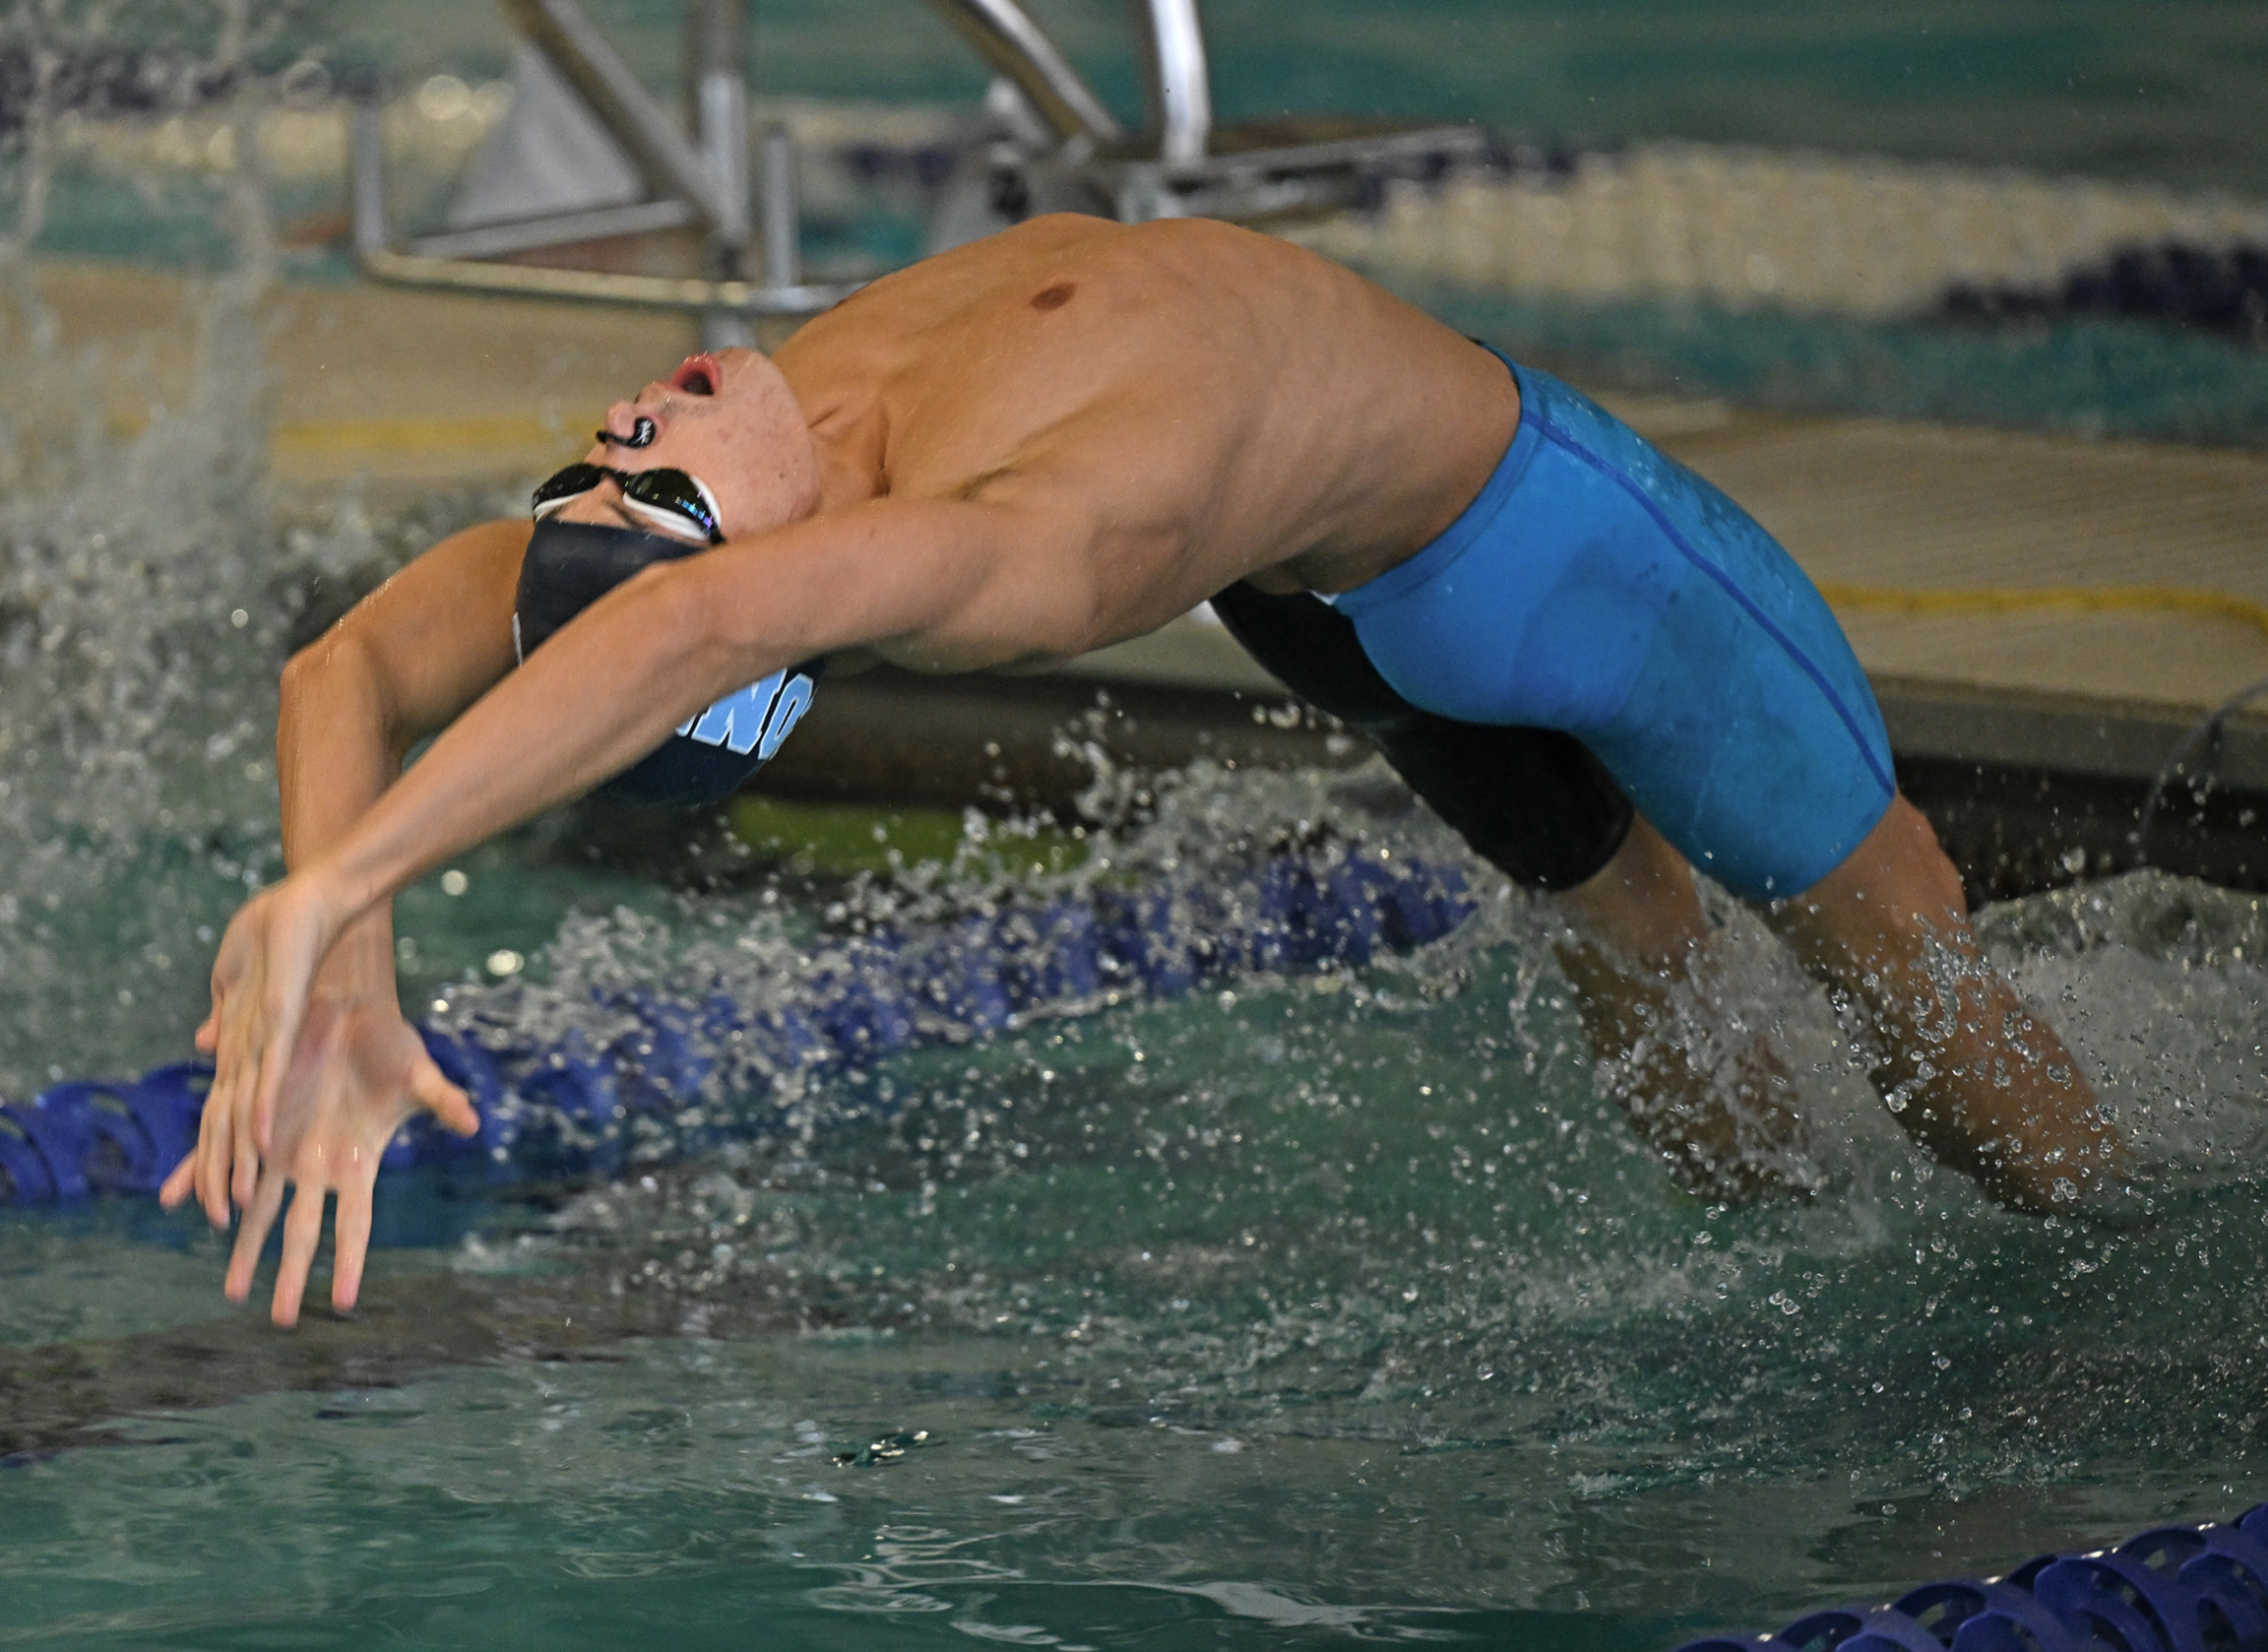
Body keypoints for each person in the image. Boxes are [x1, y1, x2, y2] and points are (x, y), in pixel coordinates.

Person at [160, 213, 2121, 1325]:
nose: (615, 419)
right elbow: (684, 629)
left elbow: (345, 663)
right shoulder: (1007, 549)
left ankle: (1826, 1223)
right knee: (1899, 924)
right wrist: (335, 890)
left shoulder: (755, 456)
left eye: (589, 471)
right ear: (764, 582)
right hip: (1551, 550)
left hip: (1315, 567)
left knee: (1638, 913)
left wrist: (352, 933)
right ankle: (2081, 1258)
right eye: (643, 481)